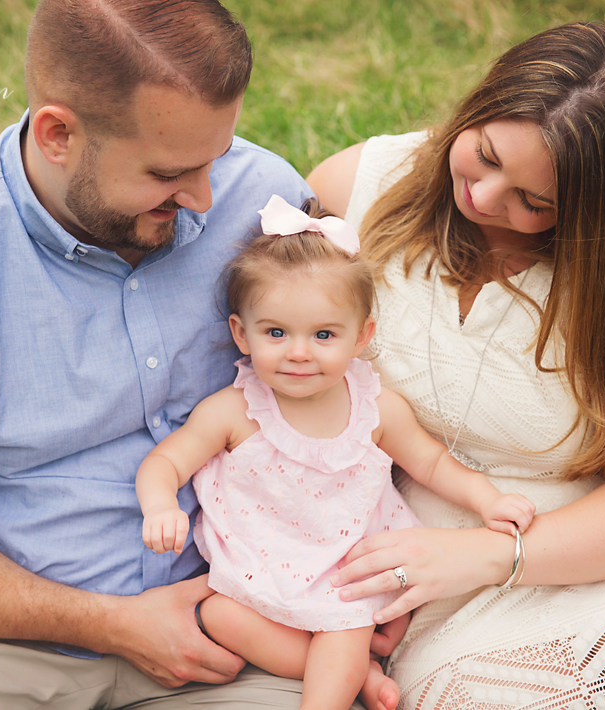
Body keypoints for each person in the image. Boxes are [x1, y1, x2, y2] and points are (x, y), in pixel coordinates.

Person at [0, 1, 330, 708]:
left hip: (241, 614)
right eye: (169, 171)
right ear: (59, 134)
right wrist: (114, 626)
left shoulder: (258, 199)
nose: (207, 196)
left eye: (218, 155)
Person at [307, 21, 605, 710]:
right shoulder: (359, 192)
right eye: (483, 153)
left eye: (534, 201)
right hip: (439, 585)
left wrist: (492, 554)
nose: (482, 197)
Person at [135, 195, 536, 710]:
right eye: (275, 333)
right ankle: (360, 675)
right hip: (261, 563)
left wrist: (486, 500)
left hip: (344, 569)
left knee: (344, 627)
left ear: (361, 337)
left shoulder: (375, 409)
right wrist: (161, 504)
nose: (299, 352)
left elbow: (431, 461)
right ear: (241, 333)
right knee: (218, 616)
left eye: (324, 335)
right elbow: (166, 461)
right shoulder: (235, 410)